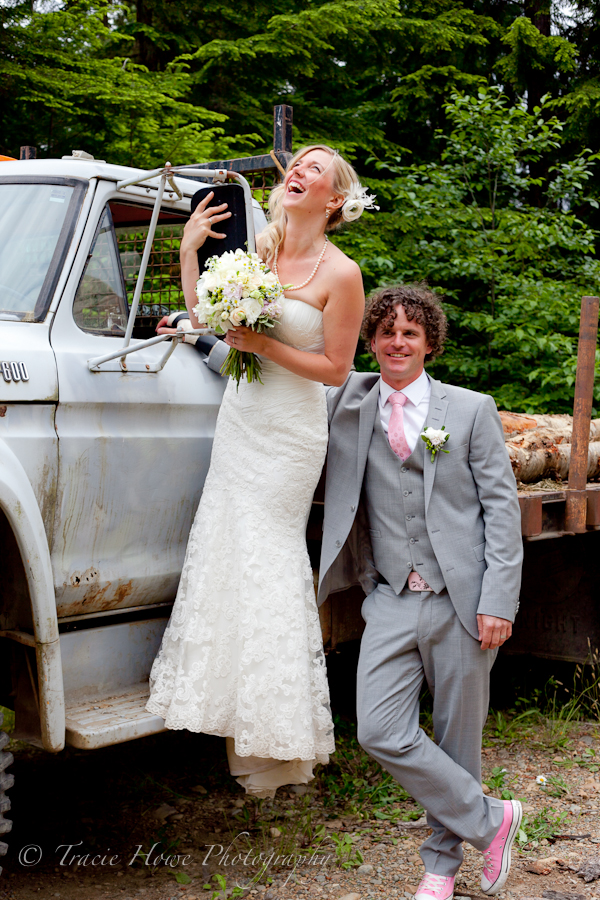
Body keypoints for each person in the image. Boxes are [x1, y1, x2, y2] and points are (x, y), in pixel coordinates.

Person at [146, 145, 368, 797]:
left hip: (290, 431)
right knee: (226, 554)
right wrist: (190, 253)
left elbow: (335, 369)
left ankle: (279, 748)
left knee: (269, 561)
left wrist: (265, 344)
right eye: (294, 164)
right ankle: (237, 724)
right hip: (240, 421)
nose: (297, 170)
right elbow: (206, 316)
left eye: (314, 168)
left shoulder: (343, 273)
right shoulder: (262, 251)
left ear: (334, 199)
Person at [318, 284, 523, 899]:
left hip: (461, 598)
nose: (397, 341)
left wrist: (498, 600)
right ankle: (493, 821)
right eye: (387, 331)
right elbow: (277, 384)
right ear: (371, 340)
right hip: (389, 598)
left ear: (430, 342)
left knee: (458, 740)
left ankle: (440, 867)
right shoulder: (348, 401)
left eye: (411, 332)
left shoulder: (470, 408)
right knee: (379, 730)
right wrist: (212, 338)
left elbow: (501, 509)